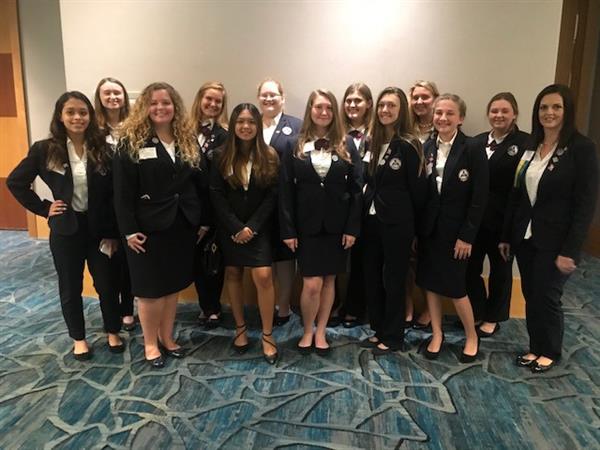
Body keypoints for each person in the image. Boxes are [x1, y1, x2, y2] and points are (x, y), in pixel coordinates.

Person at [7, 91, 124, 360]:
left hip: (100, 229)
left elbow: (114, 195)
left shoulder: (104, 149)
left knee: (107, 283)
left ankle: (113, 331)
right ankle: (79, 338)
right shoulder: (45, 149)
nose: (77, 117)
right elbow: (15, 182)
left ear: (90, 116)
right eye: (70, 112)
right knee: (70, 287)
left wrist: (114, 233)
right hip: (66, 229)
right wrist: (44, 208)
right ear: (60, 116)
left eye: (83, 112)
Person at [500, 84, 598, 373]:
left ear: (567, 111)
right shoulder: (531, 146)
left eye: (556, 107)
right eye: (544, 107)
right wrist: (507, 235)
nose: (549, 112)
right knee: (531, 293)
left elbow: (585, 205)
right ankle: (535, 346)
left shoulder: (581, 148)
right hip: (526, 236)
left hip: (557, 240)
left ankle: (550, 350)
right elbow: (516, 194)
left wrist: (571, 250)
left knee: (547, 296)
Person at [113, 82, 208, 369]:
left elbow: (199, 182)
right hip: (146, 230)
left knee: (171, 287)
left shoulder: (186, 138)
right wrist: (128, 230)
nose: (160, 108)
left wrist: (201, 220)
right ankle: (150, 344)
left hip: (181, 224)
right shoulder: (131, 142)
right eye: (153, 103)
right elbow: (122, 193)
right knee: (150, 290)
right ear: (144, 107)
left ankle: (167, 338)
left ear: (174, 106)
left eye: (166, 102)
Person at [279, 89, 363, 354]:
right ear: (310, 110)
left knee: (329, 281)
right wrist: (288, 229)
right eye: (318, 107)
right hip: (307, 226)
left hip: (337, 226)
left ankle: (322, 331)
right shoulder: (293, 144)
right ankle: (307, 330)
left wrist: (352, 228)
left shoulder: (347, 143)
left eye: (328, 108)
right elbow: (285, 190)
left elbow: (357, 189)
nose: (324, 112)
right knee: (311, 283)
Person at [416, 93, 489, 363]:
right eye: (439, 113)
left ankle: (471, 336)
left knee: (457, 288)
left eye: (449, 113)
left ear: (461, 118)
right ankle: (437, 334)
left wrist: (467, 236)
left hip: (457, 234)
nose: (443, 118)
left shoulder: (473, 148)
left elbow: (479, 197)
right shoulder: (426, 147)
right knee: (430, 285)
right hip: (430, 231)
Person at [210, 103, 280, 364]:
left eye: (251, 122)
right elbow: (216, 195)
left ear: (258, 125)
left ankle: (267, 334)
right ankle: (240, 329)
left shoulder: (269, 155)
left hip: (258, 228)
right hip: (230, 228)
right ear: (233, 125)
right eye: (240, 121)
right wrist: (236, 227)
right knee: (233, 273)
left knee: (263, 276)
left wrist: (251, 227)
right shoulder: (220, 155)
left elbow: (273, 195)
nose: (246, 126)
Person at [361, 87, 427, 354]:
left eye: (391, 106)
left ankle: (394, 335)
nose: (385, 110)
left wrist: (416, 230)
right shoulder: (372, 142)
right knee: (372, 276)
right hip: (371, 220)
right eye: (382, 105)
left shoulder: (409, 145)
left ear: (402, 111)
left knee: (394, 279)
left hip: (398, 224)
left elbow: (418, 191)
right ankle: (379, 329)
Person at [466, 93, 529, 337]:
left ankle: (493, 317)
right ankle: (478, 310)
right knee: (469, 268)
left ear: (515, 114)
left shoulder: (525, 143)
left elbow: (521, 188)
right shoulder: (477, 141)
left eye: (505, 111)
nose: (499, 115)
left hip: (504, 220)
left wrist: (510, 230)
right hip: (475, 219)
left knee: (500, 272)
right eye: (494, 111)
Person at [257, 78, 302, 326]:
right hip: (255, 204)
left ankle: (283, 306)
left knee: (285, 257)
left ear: (282, 98)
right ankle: (266, 305)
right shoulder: (250, 123)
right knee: (262, 258)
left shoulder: (296, 126)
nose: (269, 99)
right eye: (264, 95)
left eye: (273, 94)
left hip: (285, 202)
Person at [94, 77, 136, 332]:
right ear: (99, 98)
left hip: (131, 205)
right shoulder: (93, 131)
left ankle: (128, 310)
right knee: (108, 266)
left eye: (117, 93)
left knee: (129, 264)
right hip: (104, 208)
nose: (113, 98)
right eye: (107, 93)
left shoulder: (134, 127)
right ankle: (111, 313)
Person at [330, 82, 373, 328]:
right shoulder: (335, 133)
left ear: (368, 104)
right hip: (339, 204)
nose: (352, 105)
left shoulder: (376, 133)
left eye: (358, 100)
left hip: (367, 205)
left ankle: (355, 306)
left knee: (360, 258)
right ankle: (333, 303)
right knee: (335, 257)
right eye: (348, 100)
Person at [190, 81, 229, 328]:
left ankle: (213, 307)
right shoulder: (183, 132)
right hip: (187, 209)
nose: (213, 104)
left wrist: (207, 219)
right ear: (200, 99)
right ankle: (204, 305)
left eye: (218, 101)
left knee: (214, 260)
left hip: (214, 211)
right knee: (195, 261)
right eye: (209, 99)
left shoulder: (226, 135)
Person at [407, 80, 440, 329]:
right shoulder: (406, 128)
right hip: (408, 202)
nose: (419, 102)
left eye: (425, 97)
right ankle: (407, 305)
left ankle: (430, 308)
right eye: (415, 97)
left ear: (435, 99)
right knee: (405, 258)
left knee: (428, 260)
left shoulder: (443, 128)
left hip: (432, 204)